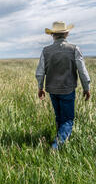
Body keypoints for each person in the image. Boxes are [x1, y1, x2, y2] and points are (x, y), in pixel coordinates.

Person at [35, 21, 91, 149]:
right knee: (67, 119)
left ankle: (59, 140)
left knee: (59, 117)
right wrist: (86, 88)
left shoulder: (46, 50)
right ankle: (56, 147)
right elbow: (82, 71)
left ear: (52, 35)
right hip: (68, 90)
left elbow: (39, 72)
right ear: (66, 34)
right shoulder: (74, 49)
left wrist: (40, 88)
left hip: (52, 90)